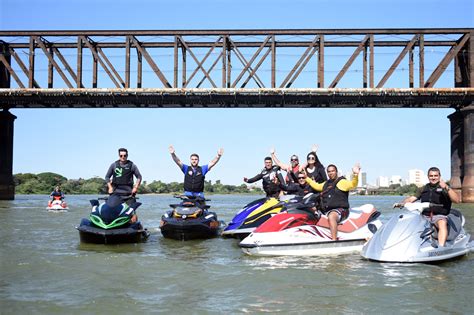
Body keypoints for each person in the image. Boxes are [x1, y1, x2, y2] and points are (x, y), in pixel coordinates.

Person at [394, 167, 460, 247]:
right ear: (428, 177)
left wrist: (446, 187)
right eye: (431, 176)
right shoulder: (423, 188)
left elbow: (457, 200)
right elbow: (412, 199)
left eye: (435, 176)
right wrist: (401, 204)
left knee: (442, 223)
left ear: (439, 176)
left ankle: (441, 247)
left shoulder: (445, 188)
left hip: (438, 216)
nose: (433, 178)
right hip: (424, 216)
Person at [304, 163, 360, 240]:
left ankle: (334, 240)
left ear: (336, 172)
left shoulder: (342, 182)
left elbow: (353, 184)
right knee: (310, 212)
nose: (331, 173)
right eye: (329, 172)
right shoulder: (326, 184)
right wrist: (306, 178)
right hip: (327, 210)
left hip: (341, 210)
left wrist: (355, 174)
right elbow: (317, 186)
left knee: (331, 216)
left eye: (333, 171)